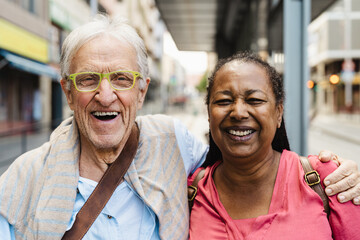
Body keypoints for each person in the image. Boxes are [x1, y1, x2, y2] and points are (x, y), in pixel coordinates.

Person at [0, 15, 358, 239]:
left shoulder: (172, 145)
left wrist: (346, 173)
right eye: (88, 79)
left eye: (122, 79)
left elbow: (244, 158)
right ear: (67, 90)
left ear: (142, 91)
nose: (105, 95)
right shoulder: (20, 184)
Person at [188, 52, 360, 239]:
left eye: (254, 100)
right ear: (208, 113)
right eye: (224, 101)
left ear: (278, 113)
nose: (238, 112)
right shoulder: (189, 193)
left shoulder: (331, 181)